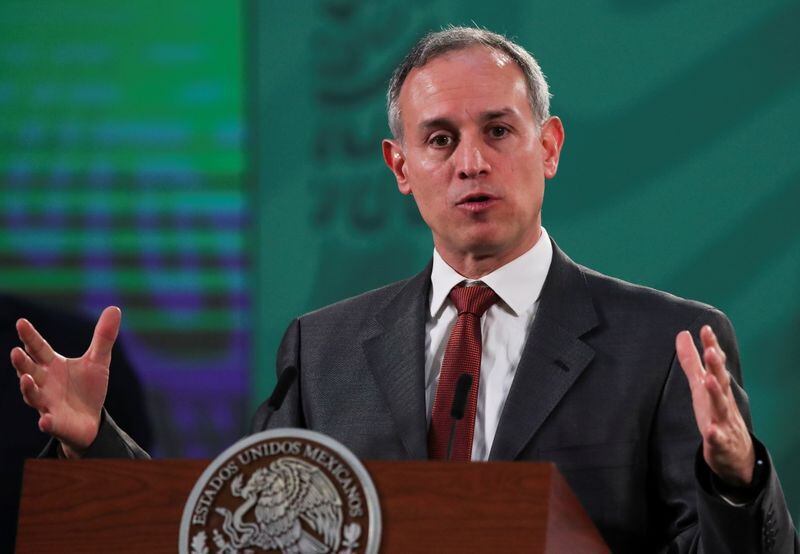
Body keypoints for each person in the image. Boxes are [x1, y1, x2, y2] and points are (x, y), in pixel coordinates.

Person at [10, 27, 798, 552]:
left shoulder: (666, 345)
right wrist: (95, 443)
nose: (472, 163)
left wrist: (736, 480)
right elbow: (235, 527)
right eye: (441, 139)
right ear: (399, 167)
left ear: (548, 146)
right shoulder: (322, 350)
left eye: (498, 131)